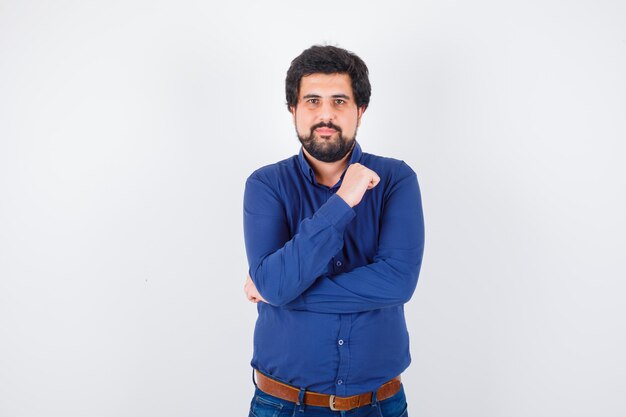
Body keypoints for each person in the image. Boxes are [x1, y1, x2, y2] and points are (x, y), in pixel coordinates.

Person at [242, 45, 425, 417]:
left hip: (379, 405)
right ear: (293, 110)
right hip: (282, 406)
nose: (325, 114)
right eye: (312, 101)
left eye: (339, 101)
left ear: (360, 111)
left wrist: (281, 292)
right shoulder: (266, 185)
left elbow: (398, 283)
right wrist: (343, 201)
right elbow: (273, 284)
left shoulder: (395, 180)